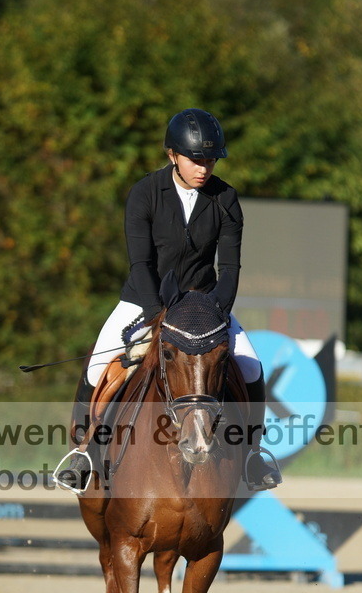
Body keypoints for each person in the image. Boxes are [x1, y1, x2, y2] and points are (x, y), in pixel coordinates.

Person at [57, 107, 281, 492]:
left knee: (251, 368)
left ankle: (252, 455)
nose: (204, 168)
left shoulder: (226, 198)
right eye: (196, 159)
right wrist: (157, 313)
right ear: (172, 155)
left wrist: (215, 310)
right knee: (96, 369)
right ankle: (84, 452)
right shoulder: (145, 194)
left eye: (211, 160)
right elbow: (140, 264)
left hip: (203, 306)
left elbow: (229, 268)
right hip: (144, 301)